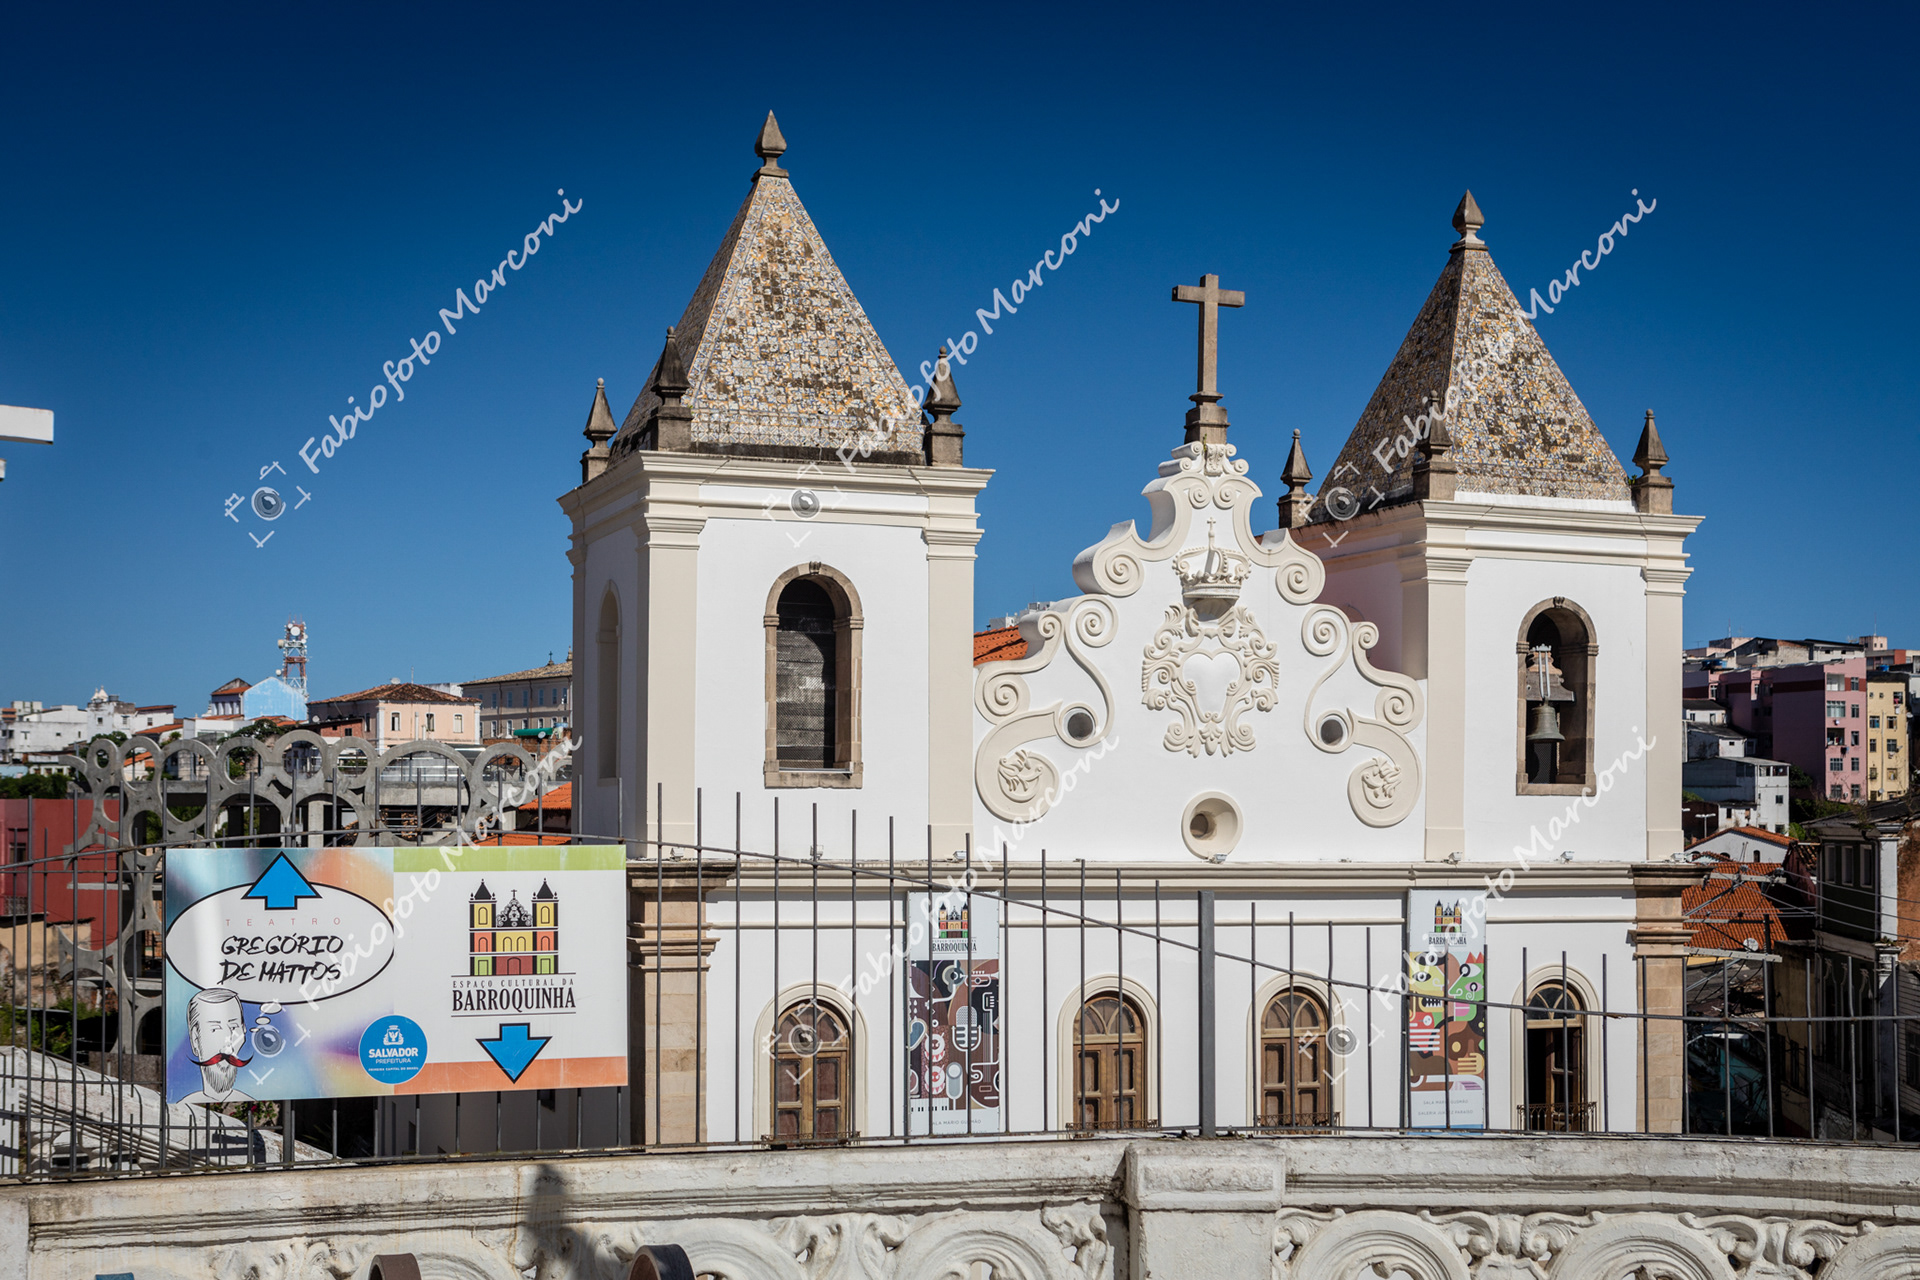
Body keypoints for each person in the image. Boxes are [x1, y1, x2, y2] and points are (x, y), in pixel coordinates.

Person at [180, 987, 254, 1105]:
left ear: (244, 1029)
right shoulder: (183, 1105)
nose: (227, 1048)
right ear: (195, 1039)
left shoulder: (250, 1100)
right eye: (215, 1029)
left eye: (234, 1027)